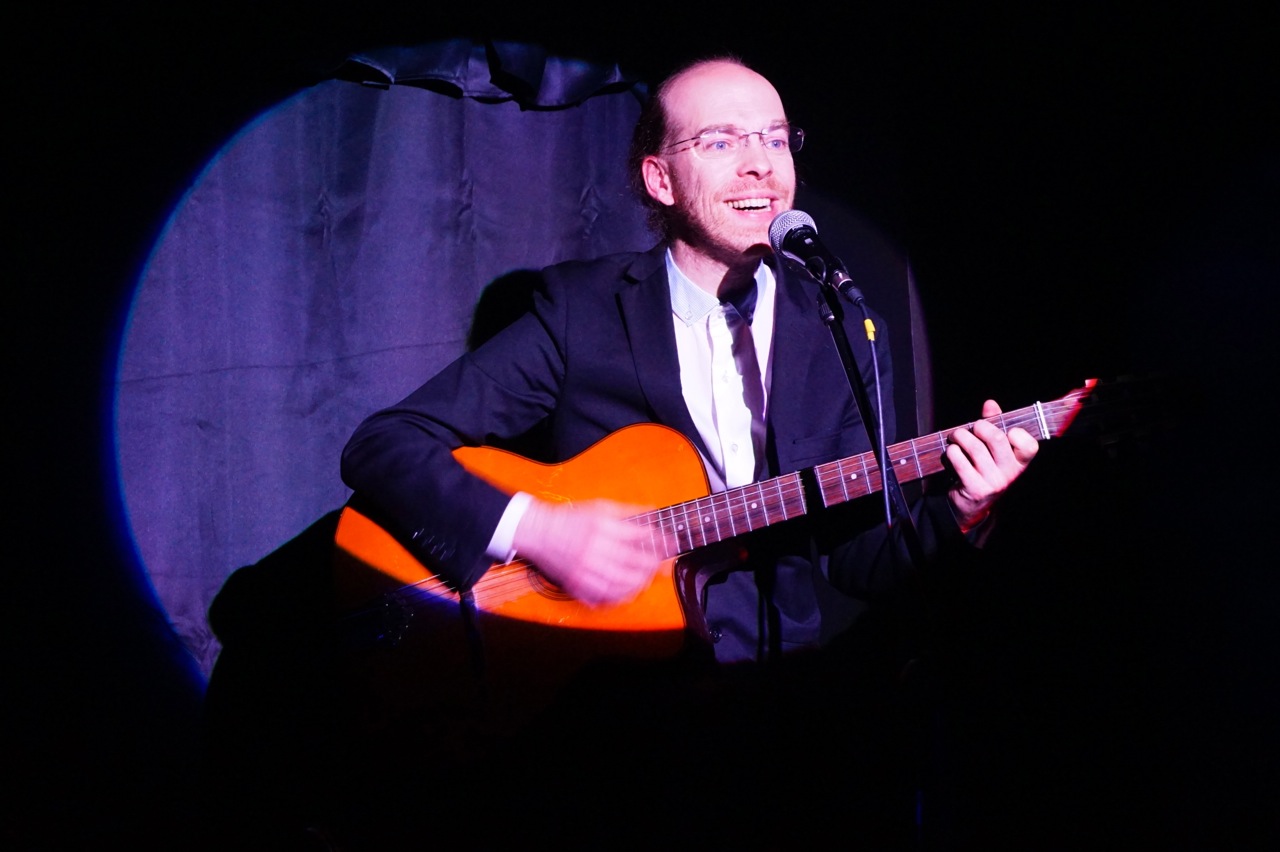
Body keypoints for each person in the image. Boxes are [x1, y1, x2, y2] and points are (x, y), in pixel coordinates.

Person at [339, 56, 1039, 845]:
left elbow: (858, 559)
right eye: (721, 141)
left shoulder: (843, 323)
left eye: (776, 138)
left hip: (783, 710)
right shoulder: (581, 313)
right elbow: (385, 445)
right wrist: (534, 529)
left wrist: (963, 509)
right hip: (604, 717)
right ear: (660, 180)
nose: (760, 164)